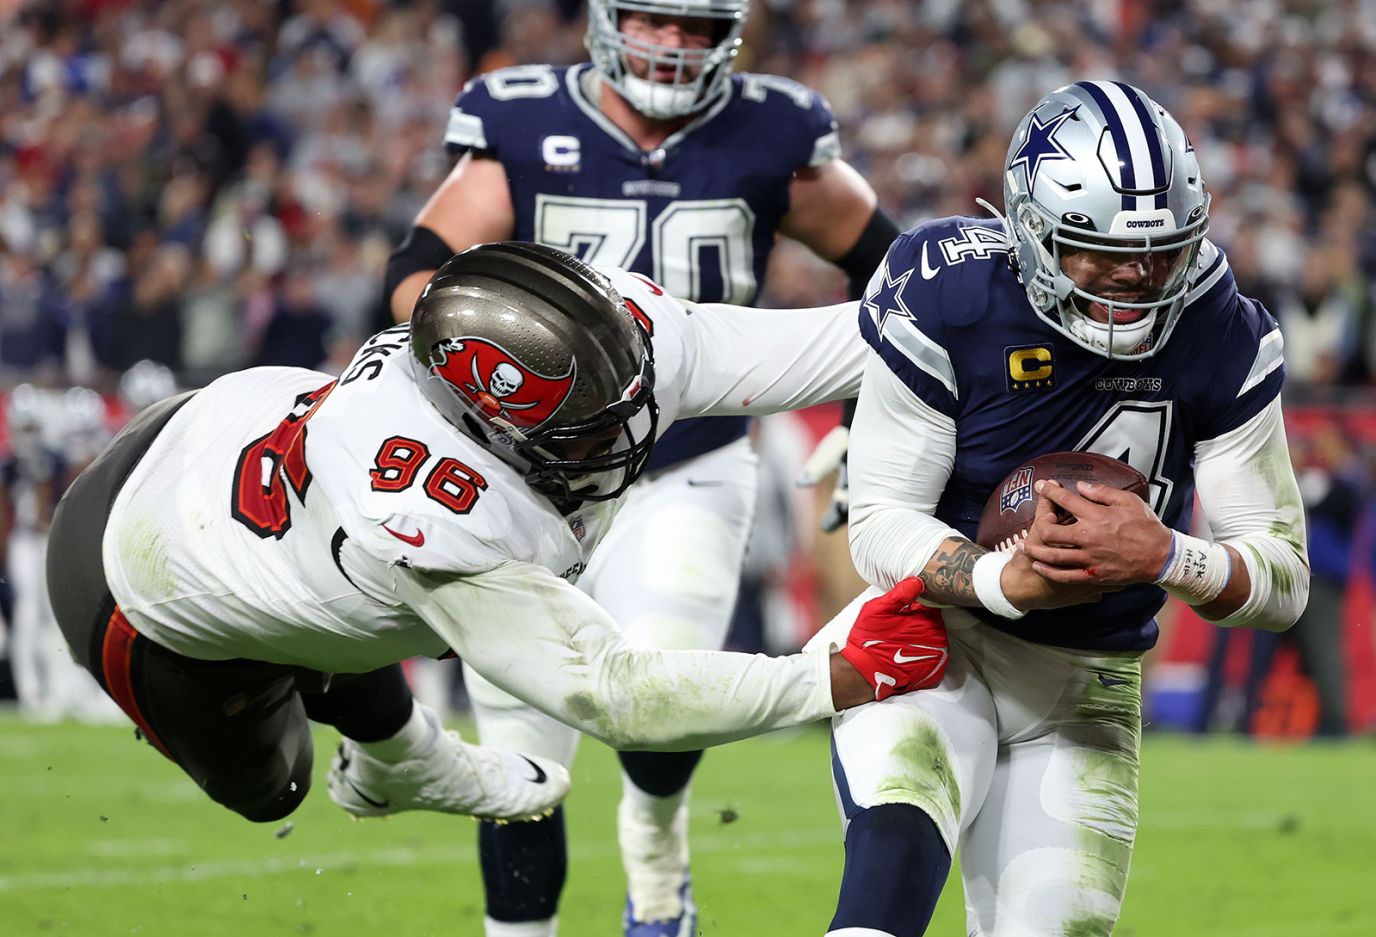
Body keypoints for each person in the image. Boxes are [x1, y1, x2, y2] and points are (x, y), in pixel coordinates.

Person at [45, 242, 948, 843]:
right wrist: (831, 673)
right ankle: (413, 759)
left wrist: (997, 305)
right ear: (494, 429)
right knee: (274, 785)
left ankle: (386, 752)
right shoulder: (436, 509)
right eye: (592, 434)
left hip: (213, 432)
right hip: (133, 576)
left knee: (371, 595)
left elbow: (855, 341)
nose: (627, 439)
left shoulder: (610, 342)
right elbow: (616, 692)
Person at [383, 2, 897, 934]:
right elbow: (420, 272)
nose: (672, 45)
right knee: (519, 756)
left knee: (659, 694)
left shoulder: (775, 129)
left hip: (684, 463)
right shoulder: (524, 116)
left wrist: (876, 417)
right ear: (610, 22)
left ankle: (656, 845)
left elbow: (895, 272)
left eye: (695, 28)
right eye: (655, 22)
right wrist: (481, 349)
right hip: (527, 477)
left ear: (728, 36)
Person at [809, 81, 1310, 937]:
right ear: (1033, 231)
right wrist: (1010, 578)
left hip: (1087, 683)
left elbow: (1284, 579)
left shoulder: (1223, 329)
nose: (1138, 276)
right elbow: (882, 523)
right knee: (879, 909)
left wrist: (1165, 556)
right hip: (934, 640)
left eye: (1162, 253)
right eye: (1101, 249)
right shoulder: (952, 295)